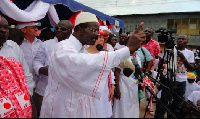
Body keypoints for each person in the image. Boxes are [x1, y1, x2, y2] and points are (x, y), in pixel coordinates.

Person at [40, 12, 145, 118]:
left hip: (80, 107)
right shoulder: (62, 48)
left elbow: (102, 62)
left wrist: (129, 50)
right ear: (80, 29)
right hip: (63, 109)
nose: (96, 34)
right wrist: (128, 49)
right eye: (93, 30)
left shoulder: (81, 49)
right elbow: (84, 62)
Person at [33, 20, 73, 117]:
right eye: (57, 28)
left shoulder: (75, 46)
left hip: (65, 92)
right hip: (44, 88)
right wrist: (42, 69)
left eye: (62, 29)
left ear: (70, 31)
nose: (58, 30)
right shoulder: (46, 44)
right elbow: (37, 61)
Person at [0, 15, 36, 117]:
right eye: (0, 27)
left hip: (19, 108)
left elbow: (26, 75)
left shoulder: (13, 47)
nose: (3, 31)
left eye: (6, 27)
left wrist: (27, 97)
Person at [155, 34, 195, 118]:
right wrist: (161, 74)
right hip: (168, 79)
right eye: (179, 39)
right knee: (163, 102)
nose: (180, 40)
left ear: (187, 41)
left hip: (181, 81)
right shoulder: (170, 50)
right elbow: (162, 63)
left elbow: (191, 68)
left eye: (183, 39)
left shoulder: (190, 53)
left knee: (177, 104)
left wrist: (183, 59)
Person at [86, 29, 115, 118]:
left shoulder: (105, 54)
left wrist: (112, 86)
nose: (102, 39)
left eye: (103, 37)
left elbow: (109, 71)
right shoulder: (83, 54)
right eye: (99, 37)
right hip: (89, 91)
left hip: (104, 89)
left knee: (103, 112)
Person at [112, 36, 140, 118]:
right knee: (123, 107)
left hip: (133, 85)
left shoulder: (137, 55)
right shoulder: (122, 55)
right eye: (129, 41)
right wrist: (117, 89)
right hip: (123, 85)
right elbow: (117, 73)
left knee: (133, 105)